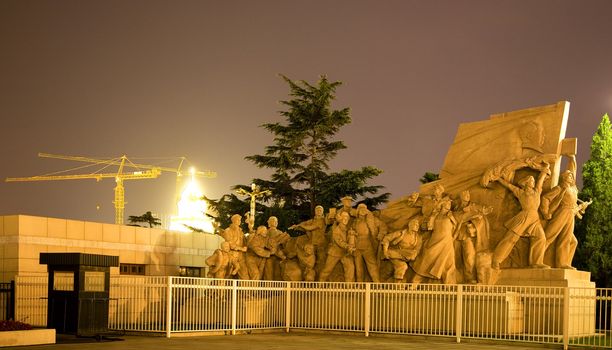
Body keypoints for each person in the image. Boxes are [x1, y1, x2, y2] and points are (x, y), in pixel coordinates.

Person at [492, 163, 551, 269]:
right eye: (531, 181)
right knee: (511, 238)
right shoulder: (521, 192)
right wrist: (498, 179)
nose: (533, 182)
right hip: (524, 217)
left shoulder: (537, 191)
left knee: (540, 238)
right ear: (526, 183)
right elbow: (509, 186)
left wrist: (544, 170)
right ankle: (497, 260)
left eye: (533, 181)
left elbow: (541, 181)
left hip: (535, 218)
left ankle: (536, 263)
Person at [540, 154, 590, 269]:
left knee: (569, 240)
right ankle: (536, 261)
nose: (571, 177)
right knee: (548, 236)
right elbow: (545, 198)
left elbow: (574, 170)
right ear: (563, 177)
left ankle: (563, 263)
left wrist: (572, 158)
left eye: (572, 176)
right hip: (561, 213)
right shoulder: (560, 188)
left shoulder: (573, 189)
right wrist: (545, 212)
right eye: (569, 176)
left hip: (571, 215)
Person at [411, 198, 457, 284]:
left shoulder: (451, 215)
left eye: (450, 204)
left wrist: (452, 219)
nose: (449, 205)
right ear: (442, 204)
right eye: (447, 203)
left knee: (448, 264)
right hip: (435, 240)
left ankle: (450, 287)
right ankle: (415, 282)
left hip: (447, 242)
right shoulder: (435, 215)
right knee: (426, 260)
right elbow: (429, 227)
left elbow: (455, 226)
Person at [381, 218, 422, 283]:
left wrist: (413, 254)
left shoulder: (418, 237)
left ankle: (383, 283)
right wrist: (385, 251)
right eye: (415, 224)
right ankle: (397, 287)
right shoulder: (401, 233)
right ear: (409, 225)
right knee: (402, 266)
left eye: (418, 225)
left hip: (407, 257)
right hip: (395, 254)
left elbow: (417, 249)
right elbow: (386, 238)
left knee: (388, 271)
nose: (417, 226)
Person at [319, 212, 356, 282]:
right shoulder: (336, 229)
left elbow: (349, 240)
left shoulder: (347, 229)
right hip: (335, 252)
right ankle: (320, 284)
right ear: (340, 219)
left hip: (345, 253)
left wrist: (352, 237)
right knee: (327, 270)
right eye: (343, 218)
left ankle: (349, 288)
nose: (345, 219)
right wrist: (348, 246)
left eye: (347, 218)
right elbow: (339, 241)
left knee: (350, 269)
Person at [351, 203, 381, 282]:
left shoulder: (372, 220)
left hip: (368, 246)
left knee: (372, 266)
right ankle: (360, 287)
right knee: (358, 268)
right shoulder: (355, 221)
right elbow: (350, 230)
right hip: (357, 247)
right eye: (361, 209)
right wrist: (351, 233)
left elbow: (383, 226)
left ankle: (377, 285)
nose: (362, 211)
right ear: (358, 211)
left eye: (364, 209)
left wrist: (381, 234)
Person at [218, 214, 250, 279]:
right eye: (238, 220)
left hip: (241, 256)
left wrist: (250, 228)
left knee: (244, 275)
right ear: (233, 220)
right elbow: (230, 244)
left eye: (240, 220)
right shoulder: (228, 230)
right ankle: (219, 288)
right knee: (227, 275)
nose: (239, 221)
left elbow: (245, 241)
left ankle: (245, 289)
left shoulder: (241, 232)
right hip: (231, 255)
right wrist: (242, 249)